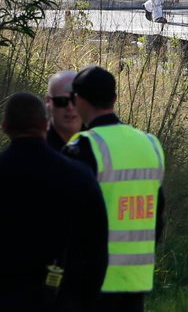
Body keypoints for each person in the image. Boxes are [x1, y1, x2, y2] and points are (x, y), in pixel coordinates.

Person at [63, 66, 166, 312]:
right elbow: (158, 214)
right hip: (136, 278)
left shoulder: (83, 147)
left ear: (78, 101)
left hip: (92, 280)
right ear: (114, 98)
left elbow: (68, 217)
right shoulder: (150, 144)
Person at [0, 91, 109, 311]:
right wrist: (84, 300)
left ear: (5, 127)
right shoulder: (79, 176)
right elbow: (97, 250)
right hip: (61, 298)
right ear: (45, 124)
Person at [45, 69, 80, 152]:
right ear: (48, 102)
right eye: (61, 101)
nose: (70, 107)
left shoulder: (98, 145)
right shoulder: (35, 147)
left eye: (75, 100)